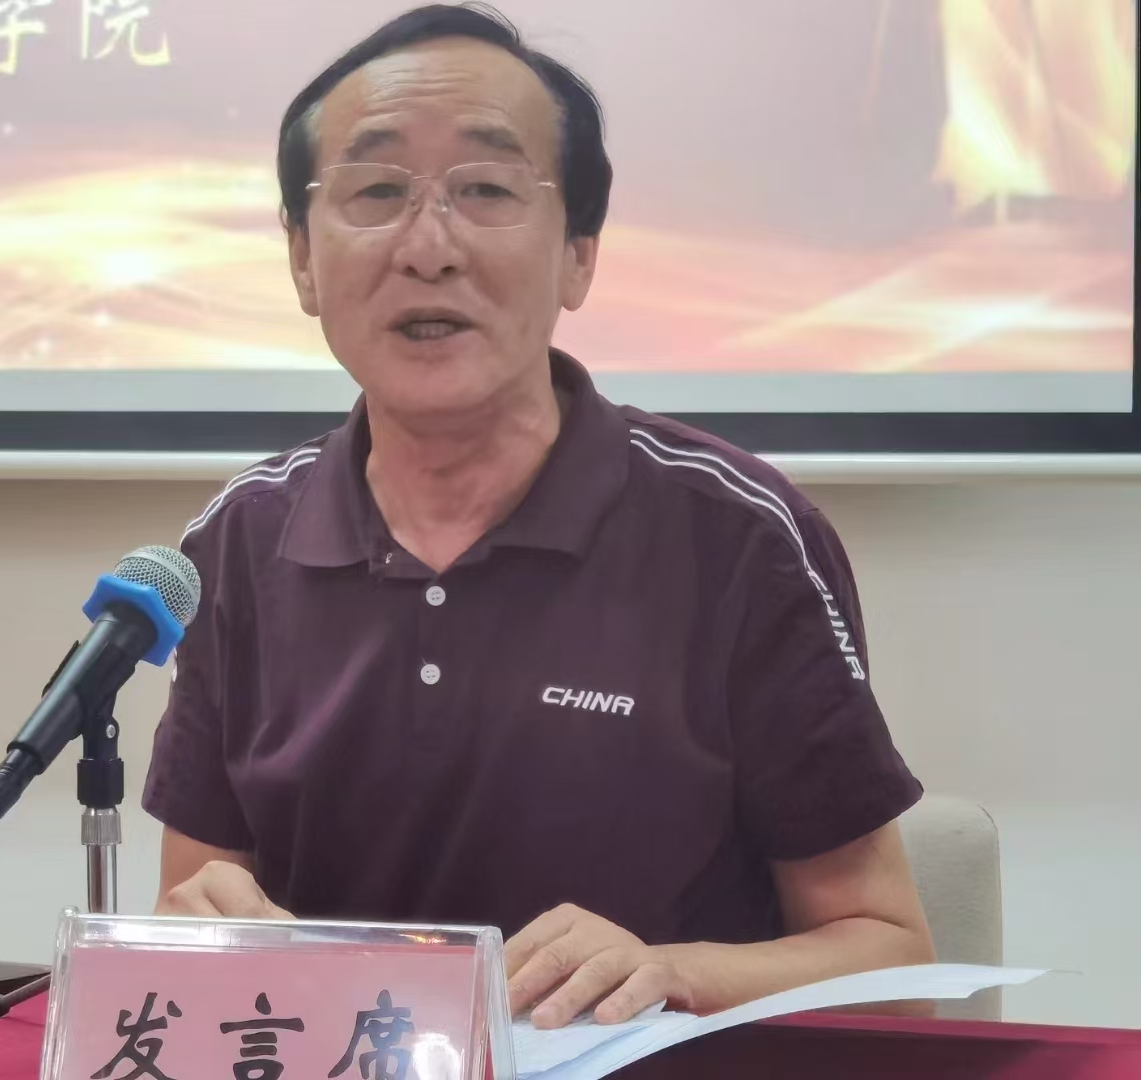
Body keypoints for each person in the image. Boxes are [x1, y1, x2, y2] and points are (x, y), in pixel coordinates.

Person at [142, 3, 935, 1029]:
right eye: (376, 191)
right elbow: (196, 910)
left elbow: (894, 963)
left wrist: (670, 974)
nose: (429, 247)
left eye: (486, 189)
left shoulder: (736, 535)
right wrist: (199, 936)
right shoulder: (242, 541)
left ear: (579, 254)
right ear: (301, 257)